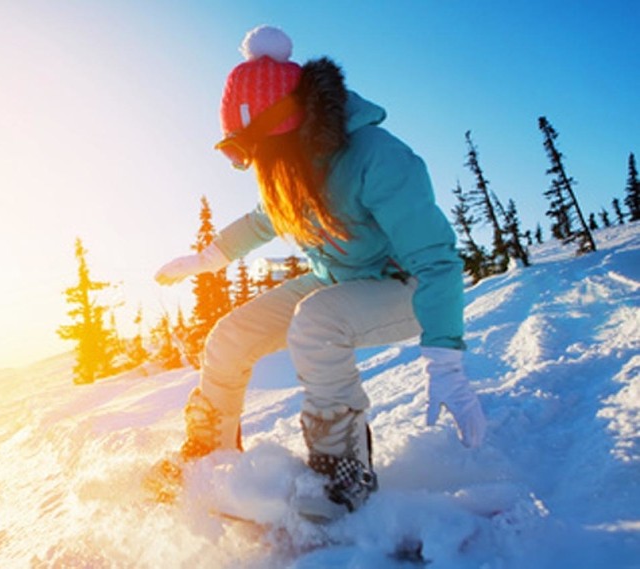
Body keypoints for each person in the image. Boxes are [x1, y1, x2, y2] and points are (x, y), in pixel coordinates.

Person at [153, 25, 486, 521]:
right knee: (230, 336)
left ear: (291, 123)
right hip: (336, 277)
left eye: (255, 148)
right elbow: (265, 218)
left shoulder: (378, 156)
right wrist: (208, 258)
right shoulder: (289, 164)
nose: (253, 163)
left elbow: (437, 261)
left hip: (404, 285)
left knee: (317, 323)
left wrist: (446, 362)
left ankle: (343, 471)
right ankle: (210, 454)